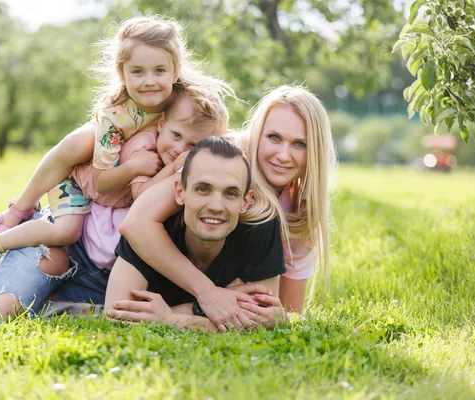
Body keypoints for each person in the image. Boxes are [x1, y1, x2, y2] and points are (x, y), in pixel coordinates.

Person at [0, 15, 231, 284]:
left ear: (176, 68)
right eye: (138, 71)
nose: (150, 81)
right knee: (66, 230)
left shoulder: (181, 98)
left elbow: (213, 119)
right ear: (121, 73)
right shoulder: (115, 121)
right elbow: (101, 183)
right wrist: (135, 167)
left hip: (120, 195)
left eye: (160, 71)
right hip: (82, 184)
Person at [117, 84, 337, 331]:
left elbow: (286, 312)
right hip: (125, 264)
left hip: (189, 296)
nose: (283, 155)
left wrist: (187, 312)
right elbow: (136, 223)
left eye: (300, 144)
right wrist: (207, 292)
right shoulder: (221, 162)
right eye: (274, 137)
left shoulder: (298, 210)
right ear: (257, 135)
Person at [104, 136, 285, 331]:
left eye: (230, 193)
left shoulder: (260, 227)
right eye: (203, 189)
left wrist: (174, 317)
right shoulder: (149, 232)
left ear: (245, 201)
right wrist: (210, 303)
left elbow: (262, 322)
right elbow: (116, 318)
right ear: (180, 191)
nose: (216, 206)